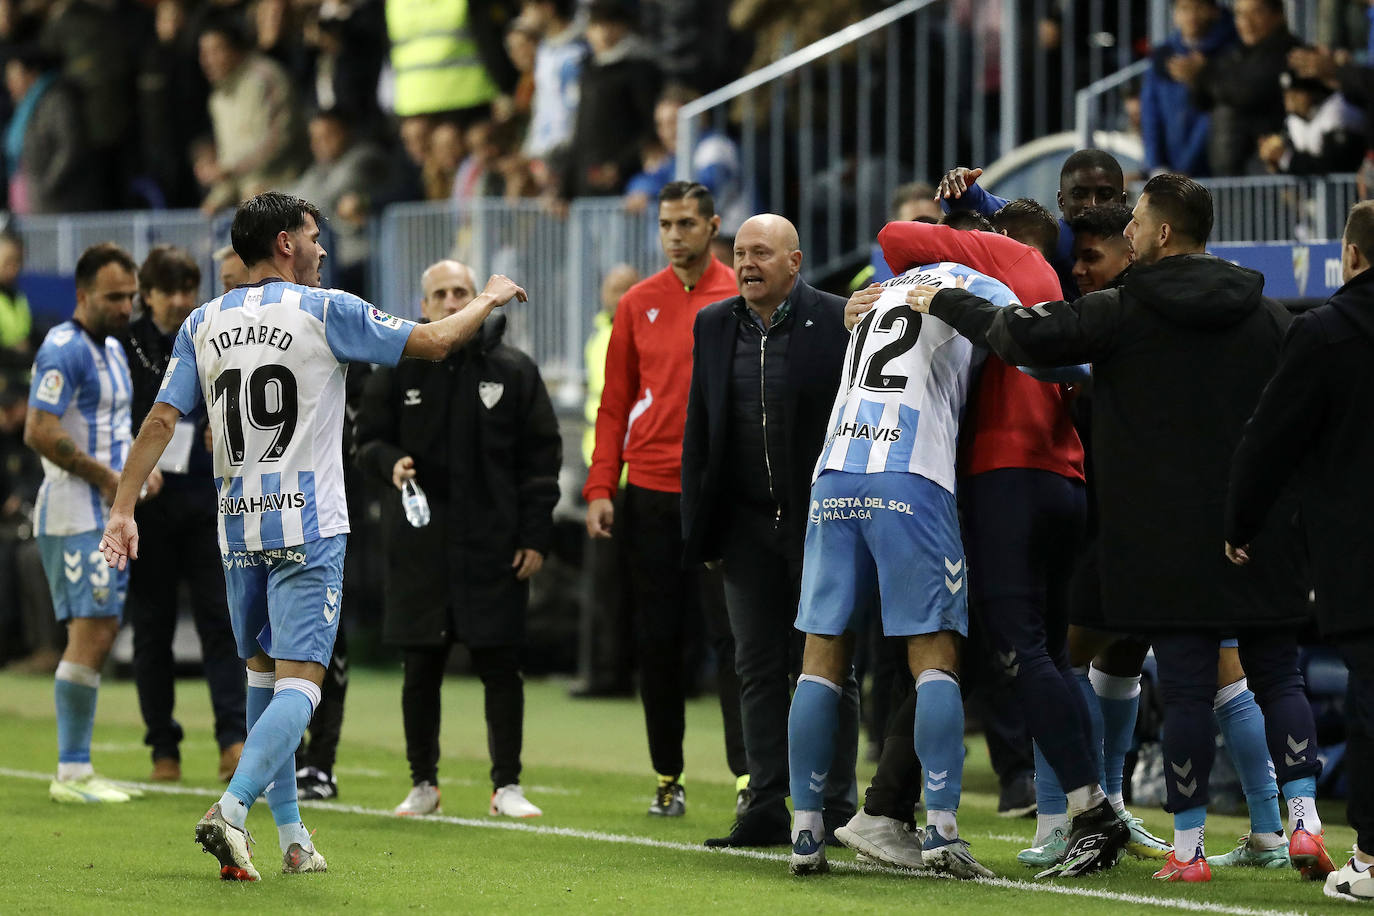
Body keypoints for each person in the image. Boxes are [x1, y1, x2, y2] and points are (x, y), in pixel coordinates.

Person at [911, 173, 1331, 884]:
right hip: (1259, 529)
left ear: (1162, 233)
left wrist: (945, 299)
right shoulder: (1269, 316)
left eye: (1135, 222)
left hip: (1163, 539)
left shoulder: (1124, 310)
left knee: (1188, 692)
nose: (1127, 234)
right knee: (1280, 676)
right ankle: (1304, 825)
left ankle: (1188, 851)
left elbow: (1022, 335)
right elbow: (1301, 417)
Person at [98, 191, 528, 881]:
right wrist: (490, 295)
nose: (323, 248)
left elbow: (160, 421)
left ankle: (293, 838)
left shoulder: (204, 321)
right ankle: (231, 810)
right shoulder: (327, 309)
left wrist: (123, 508)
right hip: (309, 526)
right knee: (302, 685)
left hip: (237, 528)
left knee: (264, 679)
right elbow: (437, 341)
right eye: (313, 235)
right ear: (286, 244)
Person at [838, 205, 1139, 877]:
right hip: (1063, 477)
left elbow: (893, 236)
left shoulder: (1002, 260)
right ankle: (886, 807)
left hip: (1000, 475)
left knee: (1014, 649)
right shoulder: (1048, 284)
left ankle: (1091, 812)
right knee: (1001, 653)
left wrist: (932, 260)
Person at [786, 253, 1049, 880]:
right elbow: (1033, 344)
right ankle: (941, 832)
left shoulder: (880, 287)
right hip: (912, 474)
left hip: (834, 474)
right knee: (935, 655)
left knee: (821, 656)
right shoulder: (979, 281)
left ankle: (805, 832)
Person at [356, 258, 560, 819]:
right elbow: (364, 441)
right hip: (419, 547)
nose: (451, 301)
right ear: (424, 307)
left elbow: (542, 460)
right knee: (420, 670)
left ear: (479, 300)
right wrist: (388, 461)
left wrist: (535, 534)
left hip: (495, 545)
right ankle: (423, 783)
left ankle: (507, 786)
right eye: (441, 294)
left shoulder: (515, 371)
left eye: (462, 292)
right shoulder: (396, 368)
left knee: (502, 667)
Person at [681, 214, 856, 849]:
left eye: (761, 253)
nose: (747, 264)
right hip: (744, 527)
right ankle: (765, 804)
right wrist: (700, 531)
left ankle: (836, 805)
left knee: (830, 667)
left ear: (795, 261)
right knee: (754, 666)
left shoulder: (837, 319)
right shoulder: (713, 324)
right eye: (739, 253)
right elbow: (699, 431)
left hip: (821, 525)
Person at [1227, 200, 1374, 903]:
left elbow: (1269, 438)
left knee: (1372, 701)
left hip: (1360, 553)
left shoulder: (1325, 331)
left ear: (1351, 256)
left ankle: (1370, 860)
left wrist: (1241, 521)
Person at [583, 180, 745, 818]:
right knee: (659, 640)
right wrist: (602, 485)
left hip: (722, 495)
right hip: (649, 493)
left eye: (686, 224)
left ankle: (749, 777)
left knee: (735, 640)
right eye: (666, 225)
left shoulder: (741, 293)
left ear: (712, 227)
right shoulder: (637, 303)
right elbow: (614, 401)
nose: (674, 235)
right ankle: (667, 777)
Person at [25, 242, 153, 803]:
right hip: (74, 510)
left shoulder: (114, 350)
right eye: (113, 297)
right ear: (82, 295)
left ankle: (78, 767)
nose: (125, 307)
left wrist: (139, 475)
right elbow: (39, 429)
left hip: (106, 512)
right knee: (92, 630)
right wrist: (107, 478)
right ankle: (72, 772)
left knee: (101, 629)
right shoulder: (64, 349)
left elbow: (112, 429)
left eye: (131, 297)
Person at [120, 245, 245, 783]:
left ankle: (233, 739)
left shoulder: (209, 333)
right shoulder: (124, 345)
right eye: (167, 290)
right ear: (146, 295)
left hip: (204, 499)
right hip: (147, 507)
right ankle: (162, 748)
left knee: (222, 620)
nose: (178, 300)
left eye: (187, 289)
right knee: (153, 628)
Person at [936, 149, 1129, 299]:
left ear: (1122, 201)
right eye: (1079, 194)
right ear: (1061, 201)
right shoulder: (1054, 237)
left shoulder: (1140, 241)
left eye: (1105, 195)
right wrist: (960, 187)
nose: (1092, 204)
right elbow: (990, 206)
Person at [573, 263, 639, 698]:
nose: (617, 297)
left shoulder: (640, 331)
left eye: (625, 289)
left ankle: (629, 673)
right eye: (613, 289)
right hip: (603, 469)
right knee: (603, 580)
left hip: (639, 469)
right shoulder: (598, 336)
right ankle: (604, 673)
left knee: (638, 580)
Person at [196, 15, 308, 212]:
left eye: (216, 50)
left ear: (236, 49)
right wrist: (219, 196)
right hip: (247, 199)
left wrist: (230, 169)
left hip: (288, 190)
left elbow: (280, 138)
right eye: (204, 53)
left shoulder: (266, 77)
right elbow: (230, 159)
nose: (208, 61)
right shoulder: (217, 98)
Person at [1191, 0, 1300, 176]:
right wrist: (1196, 78)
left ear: (1278, 15)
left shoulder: (1290, 53)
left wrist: (1204, 75)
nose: (1247, 22)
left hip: (1271, 168)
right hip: (1228, 171)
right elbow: (1201, 101)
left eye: (1256, 13)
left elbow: (1247, 92)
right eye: (1240, 14)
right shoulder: (1232, 55)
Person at [1140, 0, 1237, 177]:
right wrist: (1156, 166)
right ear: (1175, 14)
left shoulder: (1229, 52)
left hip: (1212, 171)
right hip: (1170, 170)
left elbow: (1211, 114)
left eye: (1199, 7)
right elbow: (1150, 115)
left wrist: (1186, 168)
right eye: (1184, 8)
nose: (1192, 15)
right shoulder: (1162, 57)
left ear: (1214, 11)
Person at [1256, 67, 1367, 175]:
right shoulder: (1293, 122)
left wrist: (1285, 157)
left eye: (1297, 93)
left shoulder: (1337, 109)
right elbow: (1292, 166)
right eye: (1287, 94)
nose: (1291, 99)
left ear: (1313, 93)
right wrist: (1275, 162)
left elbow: (1332, 166)